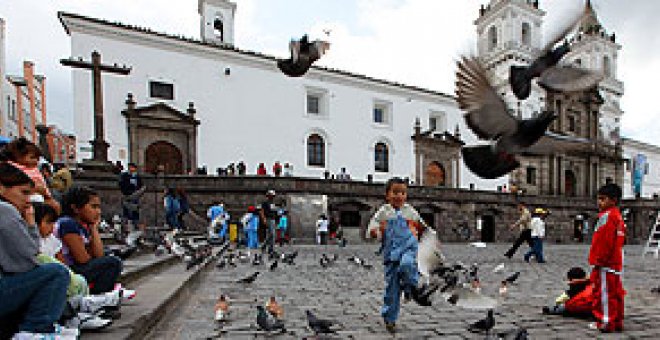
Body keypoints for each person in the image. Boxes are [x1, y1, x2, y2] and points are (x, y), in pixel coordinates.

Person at [0, 162, 73, 339]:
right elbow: (30, 256)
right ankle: (35, 330)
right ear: (2, 188)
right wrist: (31, 223)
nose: (27, 200)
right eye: (24, 192)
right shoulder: (5, 210)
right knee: (55, 273)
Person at [366, 177, 432, 333]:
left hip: (409, 249)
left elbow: (422, 226)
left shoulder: (410, 211)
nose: (399, 196)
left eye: (402, 192)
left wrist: (428, 235)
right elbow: (372, 228)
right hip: (391, 255)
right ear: (387, 195)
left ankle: (411, 288)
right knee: (392, 289)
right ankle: (390, 318)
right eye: (395, 192)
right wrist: (376, 231)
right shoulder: (384, 212)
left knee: (407, 265)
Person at [57, 186, 134, 297]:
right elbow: (82, 259)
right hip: (68, 270)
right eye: (93, 207)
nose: (98, 212)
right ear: (75, 208)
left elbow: (99, 254)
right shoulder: (67, 223)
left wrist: (93, 228)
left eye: (99, 207)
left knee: (108, 255)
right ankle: (96, 298)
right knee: (113, 263)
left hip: (77, 267)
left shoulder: (83, 226)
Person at [589, 183, 626, 333]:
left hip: (606, 262)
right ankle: (617, 320)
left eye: (603, 199)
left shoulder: (607, 217)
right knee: (616, 293)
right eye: (598, 199)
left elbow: (604, 241)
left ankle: (605, 321)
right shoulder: (618, 217)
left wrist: (598, 260)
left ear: (613, 200)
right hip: (616, 261)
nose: (599, 202)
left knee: (604, 294)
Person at [3, 137, 60, 213]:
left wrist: (47, 195)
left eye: (38, 158)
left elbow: (43, 186)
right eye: (32, 157)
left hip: (41, 198)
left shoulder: (35, 169)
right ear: (18, 156)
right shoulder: (12, 168)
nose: (35, 161)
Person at [118, 163, 144, 231]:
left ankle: (136, 224)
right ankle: (126, 226)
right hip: (127, 195)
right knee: (126, 211)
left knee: (135, 211)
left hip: (136, 196)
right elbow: (122, 185)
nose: (131, 169)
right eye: (130, 167)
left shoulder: (138, 177)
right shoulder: (125, 176)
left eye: (132, 167)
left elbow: (141, 185)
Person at [259, 190, 278, 254]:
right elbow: (262, 211)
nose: (272, 197)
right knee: (271, 234)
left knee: (271, 235)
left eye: (273, 196)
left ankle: (269, 248)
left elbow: (275, 212)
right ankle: (266, 247)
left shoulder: (273, 203)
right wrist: (264, 219)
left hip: (273, 219)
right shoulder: (265, 203)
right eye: (271, 195)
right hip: (268, 219)